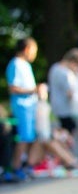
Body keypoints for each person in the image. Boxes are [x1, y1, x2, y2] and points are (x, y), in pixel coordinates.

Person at [5, 38, 41, 182]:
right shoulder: (15, 64)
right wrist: (33, 90)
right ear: (26, 49)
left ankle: (22, 165)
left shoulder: (25, 65)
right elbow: (13, 87)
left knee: (29, 137)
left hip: (29, 106)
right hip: (22, 106)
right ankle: (16, 167)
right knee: (23, 137)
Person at [47, 48, 78, 147]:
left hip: (56, 105)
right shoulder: (65, 73)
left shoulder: (54, 68)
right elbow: (70, 93)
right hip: (66, 108)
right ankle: (64, 154)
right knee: (67, 134)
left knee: (64, 132)